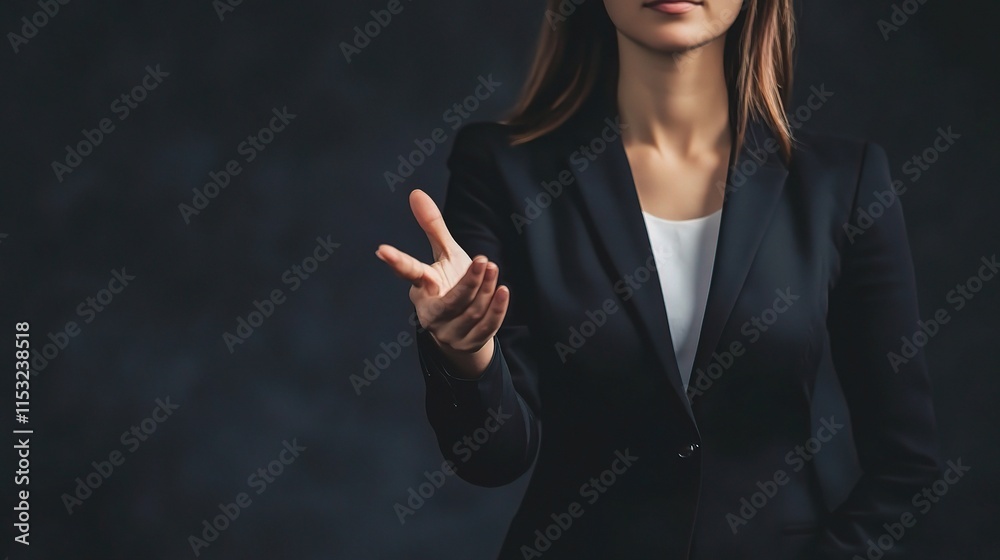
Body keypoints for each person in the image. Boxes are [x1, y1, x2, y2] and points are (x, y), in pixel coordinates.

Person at [376, 0, 941, 558]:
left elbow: (907, 467)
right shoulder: (503, 167)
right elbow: (494, 458)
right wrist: (467, 356)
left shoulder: (843, 183)